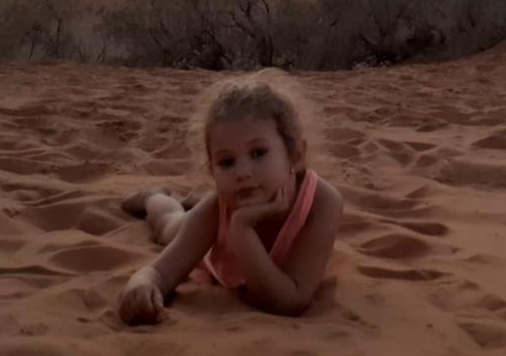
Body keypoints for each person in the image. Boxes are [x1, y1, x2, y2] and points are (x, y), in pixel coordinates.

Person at [118, 75, 343, 322]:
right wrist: (141, 285)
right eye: (227, 162)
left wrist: (242, 227)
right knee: (170, 225)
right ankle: (154, 197)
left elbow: (291, 301)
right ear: (212, 171)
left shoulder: (321, 202)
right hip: (211, 230)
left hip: (233, 223)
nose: (243, 173)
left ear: (296, 156)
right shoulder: (216, 210)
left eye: (258, 153)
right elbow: (159, 272)